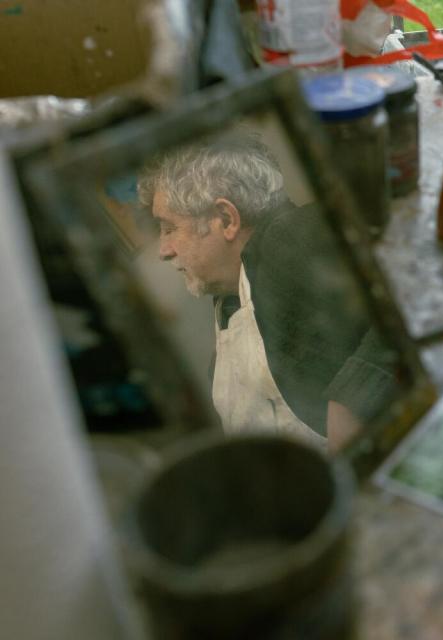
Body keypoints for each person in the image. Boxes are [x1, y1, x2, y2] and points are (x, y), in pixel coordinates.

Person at [137, 133, 397, 450]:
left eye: (169, 228)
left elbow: (403, 293)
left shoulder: (292, 235)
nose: (164, 250)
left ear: (225, 219)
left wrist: (352, 403)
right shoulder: (231, 304)